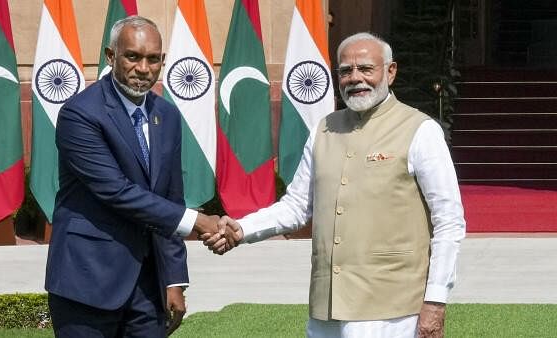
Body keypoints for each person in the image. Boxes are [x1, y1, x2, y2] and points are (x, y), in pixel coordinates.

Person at [206, 32, 466, 338]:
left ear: (390, 72)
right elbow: (297, 207)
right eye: (345, 71)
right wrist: (242, 229)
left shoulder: (420, 130)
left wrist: (435, 300)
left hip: (392, 309)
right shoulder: (324, 130)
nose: (355, 78)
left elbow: (448, 221)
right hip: (326, 307)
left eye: (366, 69)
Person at [45, 16, 223, 338]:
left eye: (153, 59)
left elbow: (170, 197)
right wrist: (198, 221)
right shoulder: (79, 114)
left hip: (147, 287)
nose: (143, 68)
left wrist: (174, 279)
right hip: (87, 280)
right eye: (133, 56)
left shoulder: (166, 115)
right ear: (111, 57)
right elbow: (117, 191)